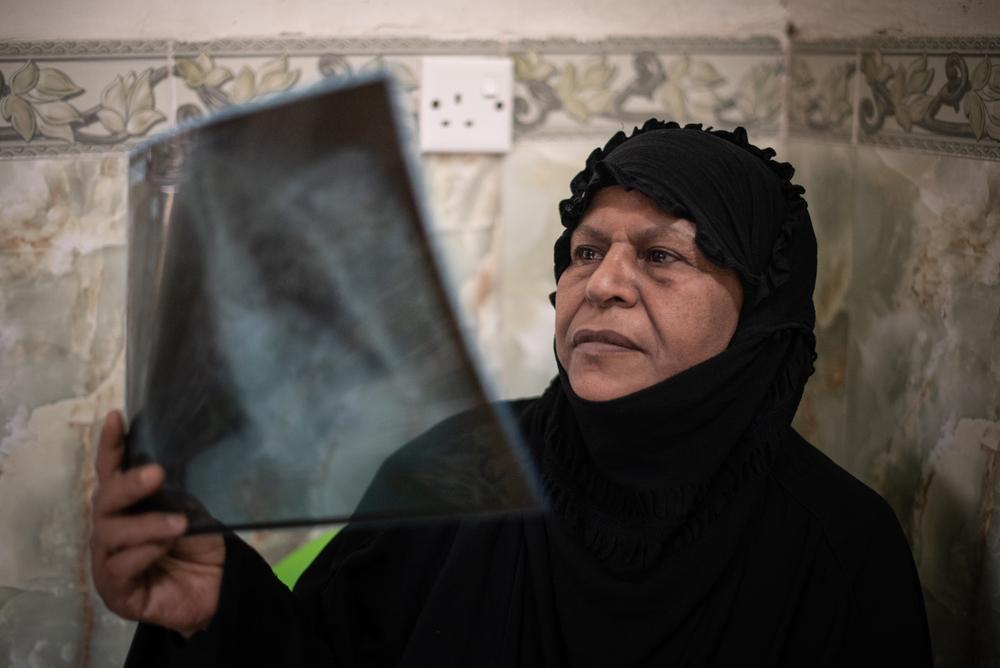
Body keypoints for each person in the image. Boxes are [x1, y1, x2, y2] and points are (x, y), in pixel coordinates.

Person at [91, 120, 933, 667]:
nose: (602, 284)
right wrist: (216, 611)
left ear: (759, 314)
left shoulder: (838, 548)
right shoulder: (455, 472)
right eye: (585, 252)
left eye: (662, 256)